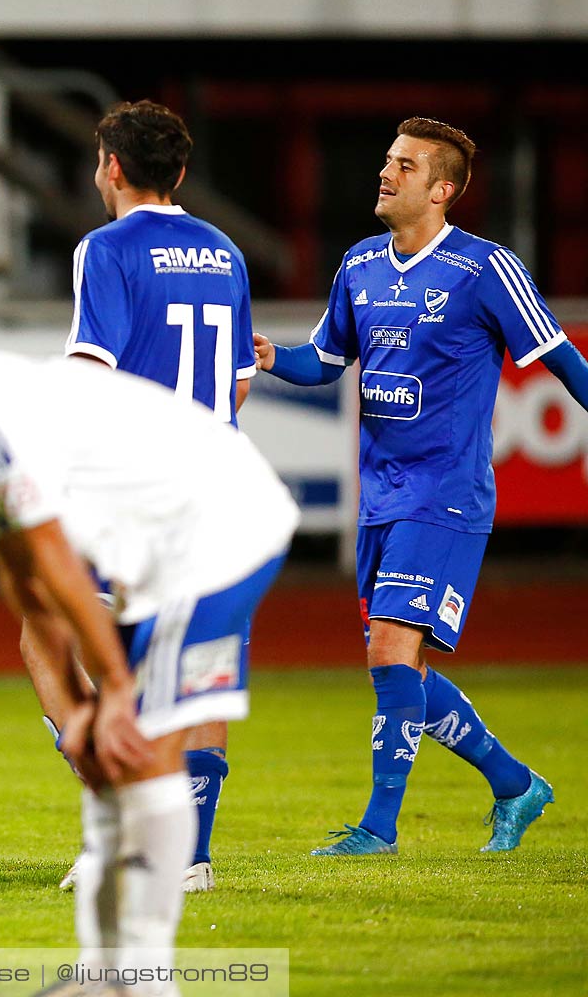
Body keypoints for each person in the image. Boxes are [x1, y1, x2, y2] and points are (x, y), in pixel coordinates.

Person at [0, 353, 297, 997]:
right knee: (110, 760)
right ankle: (105, 975)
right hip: (163, 552)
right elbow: (28, 587)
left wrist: (115, 692)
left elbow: (54, 560)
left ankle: (144, 982)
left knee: (146, 753)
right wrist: (76, 714)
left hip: (218, 532)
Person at [254, 116, 586, 856]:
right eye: (386, 160)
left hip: (446, 494)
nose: (385, 172)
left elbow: (562, 358)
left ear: (442, 190)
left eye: (404, 166)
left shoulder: (486, 269)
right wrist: (276, 355)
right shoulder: (359, 265)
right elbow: (326, 362)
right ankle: (514, 784)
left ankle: (378, 829)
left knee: (389, 653)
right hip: (381, 498)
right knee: (400, 665)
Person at [53, 100, 256, 894]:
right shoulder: (228, 253)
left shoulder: (104, 248)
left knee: (67, 646)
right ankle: (191, 856)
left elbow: (91, 368)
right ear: (178, 172)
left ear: (110, 167)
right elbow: (239, 377)